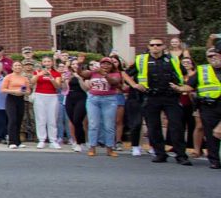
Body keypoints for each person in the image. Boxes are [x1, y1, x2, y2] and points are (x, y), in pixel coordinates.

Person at [126, 37, 191, 165]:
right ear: (149, 47)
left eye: (158, 45)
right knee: (153, 127)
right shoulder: (141, 59)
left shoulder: (172, 59)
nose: (155, 47)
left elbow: (185, 73)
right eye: (152, 45)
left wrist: (179, 87)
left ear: (163, 47)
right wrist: (134, 84)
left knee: (176, 126)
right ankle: (160, 153)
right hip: (151, 96)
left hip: (170, 96)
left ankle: (181, 155)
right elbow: (125, 73)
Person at [184, 47, 221, 169]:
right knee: (211, 134)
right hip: (208, 106)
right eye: (209, 56)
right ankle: (214, 160)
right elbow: (189, 86)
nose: (212, 58)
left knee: (217, 131)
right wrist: (178, 88)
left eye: (215, 55)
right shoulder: (203, 70)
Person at [82, 57, 122, 157]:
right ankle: (92, 147)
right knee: (93, 124)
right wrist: (79, 64)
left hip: (109, 99)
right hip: (93, 99)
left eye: (108, 64)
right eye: (103, 63)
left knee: (109, 125)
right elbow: (82, 74)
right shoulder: (94, 73)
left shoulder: (116, 74)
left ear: (112, 65)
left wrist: (104, 74)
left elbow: (114, 82)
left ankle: (109, 148)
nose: (105, 65)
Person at [31, 55, 63, 149]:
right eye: (45, 62)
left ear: (52, 63)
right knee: (40, 118)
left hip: (52, 97)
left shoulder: (56, 73)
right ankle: (41, 140)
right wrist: (39, 75)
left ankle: (53, 140)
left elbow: (57, 86)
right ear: (42, 63)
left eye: (48, 62)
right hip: (39, 96)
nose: (47, 63)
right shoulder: (37, 72)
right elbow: (32, 82)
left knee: (52, 118)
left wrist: (51, 77)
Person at [64, 58, 89, 152]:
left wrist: (79, 78)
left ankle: (79, 143)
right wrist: (65, 81)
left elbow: (85, 89)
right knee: (73, 121)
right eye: (73, 64)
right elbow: (64, 88)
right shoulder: (68, 74)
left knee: (77, 119)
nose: (75, 65)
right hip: (70, 97)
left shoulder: (84, 74)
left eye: (76, 64)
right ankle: (80, 141)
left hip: (81, 97)